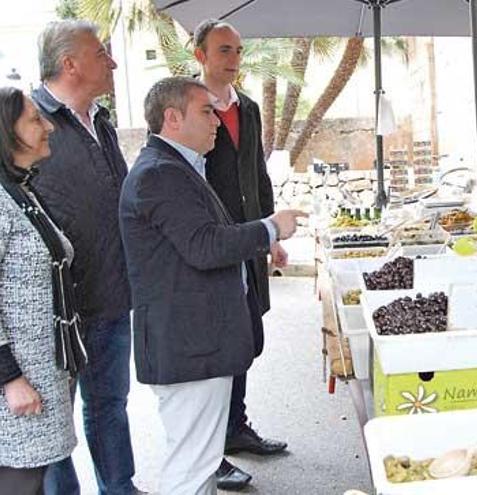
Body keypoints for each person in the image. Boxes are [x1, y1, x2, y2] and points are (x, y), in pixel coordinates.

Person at [119, 76, 303, 495]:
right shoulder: (159, 174)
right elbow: (204, 245)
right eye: (206, 111)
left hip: (197, 344)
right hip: (189, 346)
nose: (217, 120)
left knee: (197, 464)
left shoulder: (178, 167)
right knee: (190, 468)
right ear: (172, 117)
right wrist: (269, 228)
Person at [29, 20, 138, 495]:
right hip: (56, 312)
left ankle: (120, 488)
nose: (112, 62)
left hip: (112, 299)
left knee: (110, 405)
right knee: (53, 424)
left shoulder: (103, 121)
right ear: (70, 63)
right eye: (101, 54)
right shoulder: (26, 124)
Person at [191, 19, 288, 490]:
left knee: (247, 339)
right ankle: (212, 450)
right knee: (218, 348)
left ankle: (235, 428)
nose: (234, 59)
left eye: (238, 51)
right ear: (200, 57)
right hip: (210, 247)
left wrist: (271, 235)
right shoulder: (184, 107)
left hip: (249, 242)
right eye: (224, 50)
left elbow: (257, 174)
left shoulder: (247, 108)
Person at [0, 86, 86, 494]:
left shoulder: (21, 191)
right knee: (19, 481)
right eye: (35, 119)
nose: (48, 125)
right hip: (18, 384)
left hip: (42, 373)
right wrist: (10, 378)